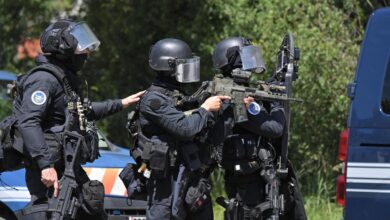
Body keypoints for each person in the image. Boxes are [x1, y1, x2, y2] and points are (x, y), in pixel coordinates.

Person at [13, 19, 144, 219]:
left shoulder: (63, 79)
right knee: (54, 213)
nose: (86, 54)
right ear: (63, 49)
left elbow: (83, 110)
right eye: (81, 48)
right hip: (49, 172)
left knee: (91, 208)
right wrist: (45, 165)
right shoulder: (44, 79)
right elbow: (28, 122)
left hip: (67, 167)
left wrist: (122, 103)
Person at [209, 37, 307, 220]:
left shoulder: (230, 90)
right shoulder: (236, 97)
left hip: (247, 179)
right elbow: (275, 128)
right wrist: (277, 103)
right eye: (245, 55)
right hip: (250, 184)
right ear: (235, 60)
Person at [135, 38, 229, 220]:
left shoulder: (175, 96)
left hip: (188, 176)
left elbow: (192, 113)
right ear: (169, 68)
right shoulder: (153, 100)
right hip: (166, 183)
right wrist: (206, 108)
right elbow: (185, 128)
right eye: (183, 66)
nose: (188, 71)